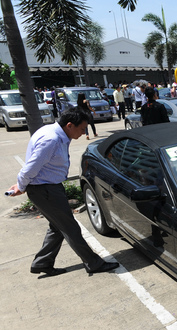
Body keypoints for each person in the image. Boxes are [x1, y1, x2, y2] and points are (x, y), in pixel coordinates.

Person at [6, 107, 119, 276]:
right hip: (45, 190)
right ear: (69, 125)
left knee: (57, 226)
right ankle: (93, 263)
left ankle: (42, 262)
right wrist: (20, 186)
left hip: (47, 188)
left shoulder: (55, 133)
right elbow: (30, 168)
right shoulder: (51, 139)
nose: (83, 133)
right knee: (70, 227)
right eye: (81, 129)